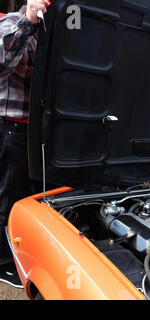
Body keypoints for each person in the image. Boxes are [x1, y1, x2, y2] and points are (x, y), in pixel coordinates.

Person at [0, 0, 49, 287]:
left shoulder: (53, 33)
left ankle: (19, 249)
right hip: (10, 127)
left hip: (36, 132)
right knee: (7, 198)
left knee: (25, 197)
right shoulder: (11, 23)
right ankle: (4, 263)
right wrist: (28, 21)